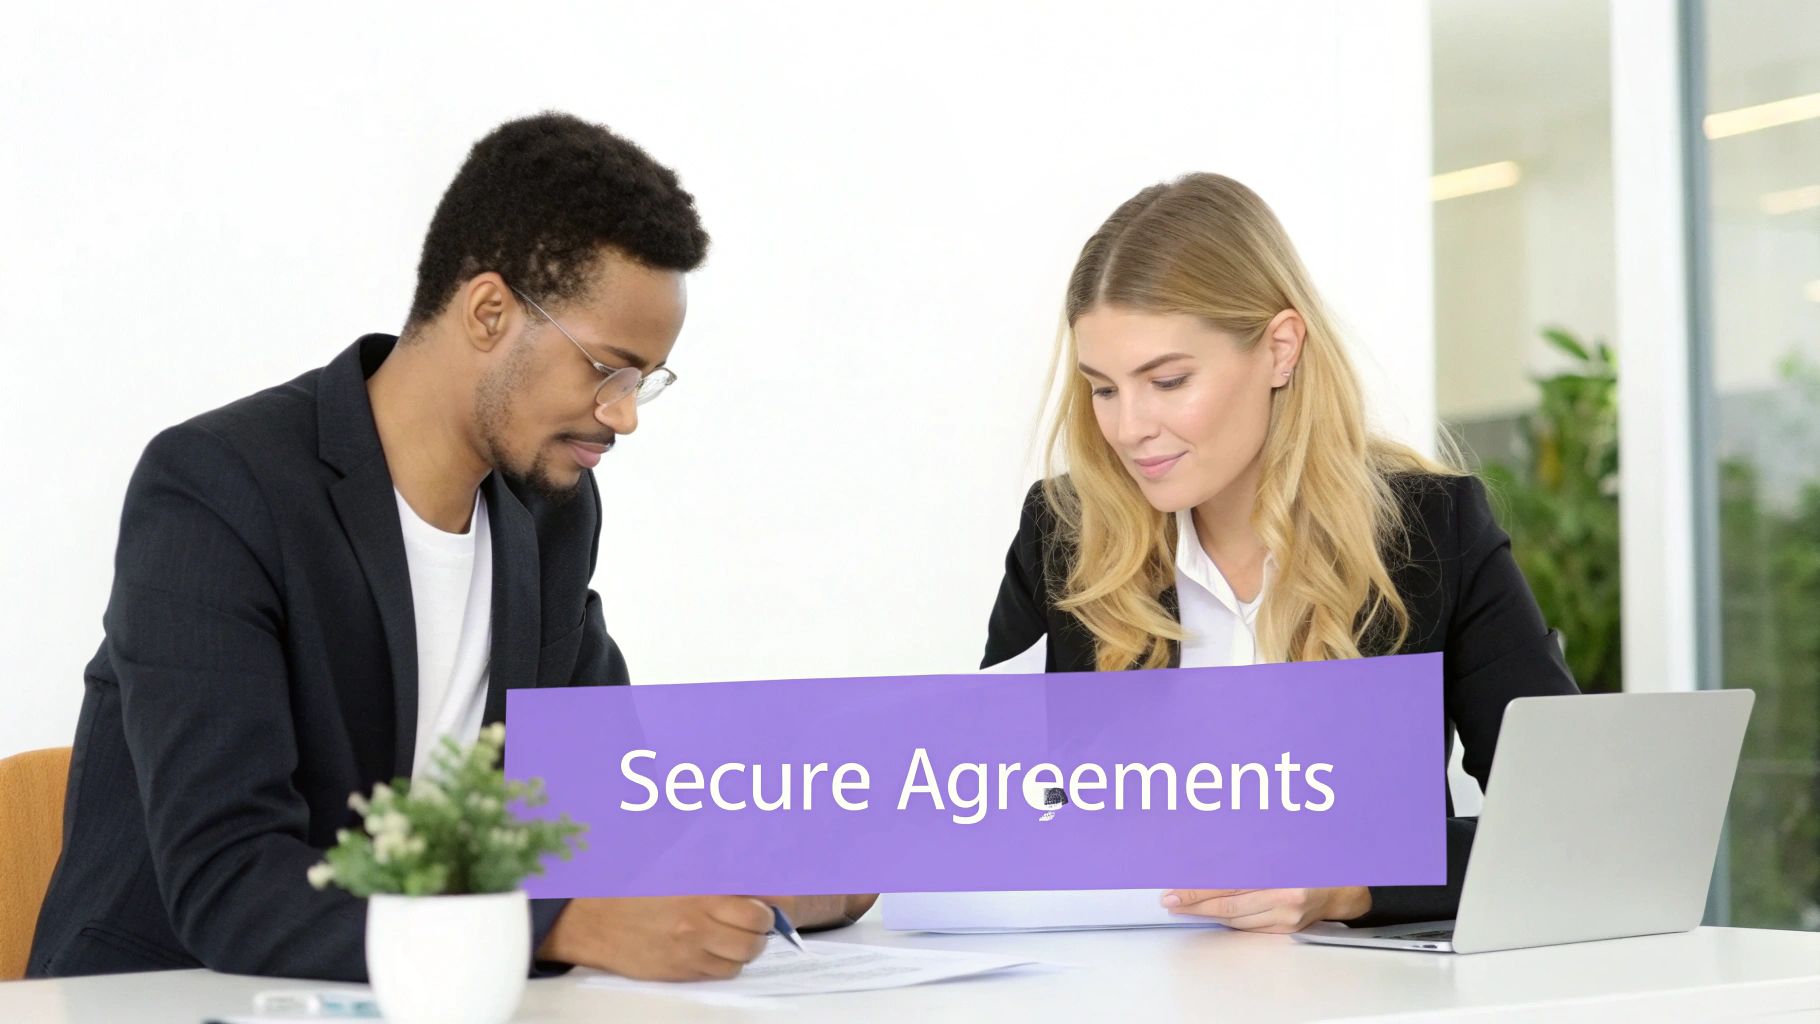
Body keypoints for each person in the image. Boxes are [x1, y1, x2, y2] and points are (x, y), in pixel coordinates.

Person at [30, 111, 872, 983]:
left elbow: (608, 801)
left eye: (644, 383)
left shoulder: (549, 514)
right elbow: (230, 881)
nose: (623, 414)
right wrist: (556, 924)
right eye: (607, 370)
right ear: (489, 310)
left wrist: (790, 868)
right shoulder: (218, 488)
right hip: (165, 994)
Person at [983, 172, 1579, 932]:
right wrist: (841, 881)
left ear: (1280, 349)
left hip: (1355, 1004)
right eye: (1103, 389)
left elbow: (1565, 834)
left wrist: (1353, 887)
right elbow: (985, 810)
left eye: (1167, 380)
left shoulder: (1431, 533)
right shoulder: (1063, 534)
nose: (1129, 427)